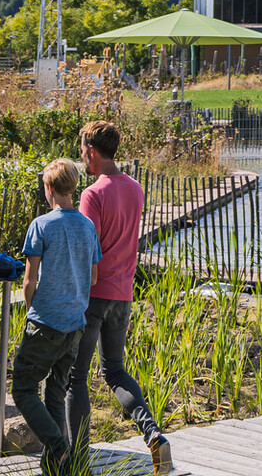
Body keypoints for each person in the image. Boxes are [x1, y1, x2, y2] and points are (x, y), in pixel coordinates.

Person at [66, 121, 173, 474]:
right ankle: (153, 434)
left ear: (92, 152)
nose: (82, 157)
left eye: (83, 151)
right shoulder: (135, 188)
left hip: (94, 295)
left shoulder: (91, 195)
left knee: (76, 378)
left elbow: (86, 248)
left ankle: (78, 457)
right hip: (123, 295)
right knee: (115, 371)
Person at [13, 159, 103, 474]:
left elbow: (29, 280)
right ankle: (59, 468)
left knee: (23, 388)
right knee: (56, 388)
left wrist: (30, 312)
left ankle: (59, 447)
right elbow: (92, 278)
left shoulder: (42, 225)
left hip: (46, 321)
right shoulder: (88, 226)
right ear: (73, 187)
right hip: (75, 324)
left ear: (48, 188)